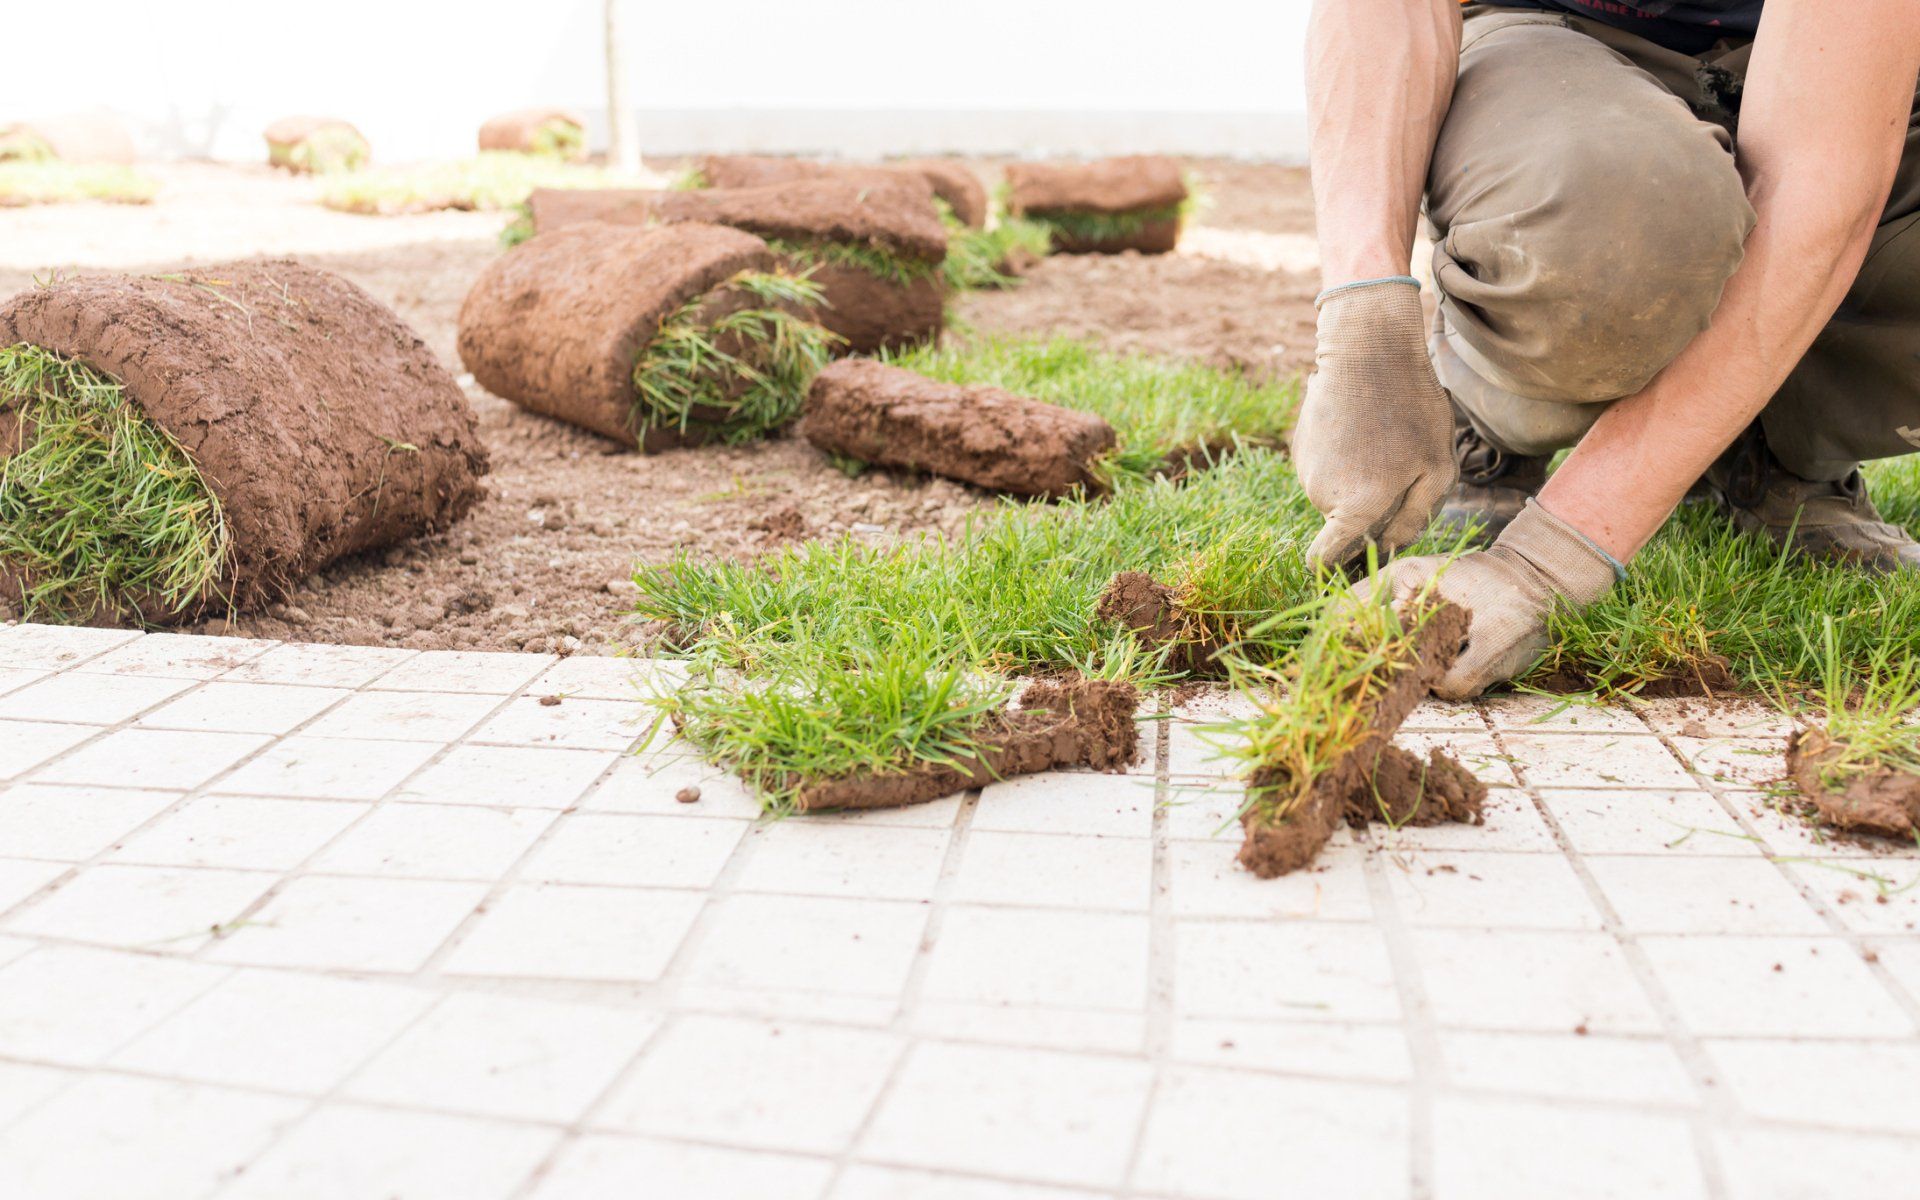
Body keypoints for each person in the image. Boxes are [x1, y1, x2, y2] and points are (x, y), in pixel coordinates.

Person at [1294, 0, 1920, 696]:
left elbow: (1821, 179)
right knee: (1614, 221)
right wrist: (1365, 327)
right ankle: (1492, 416)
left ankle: (1777, 447)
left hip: (1857, 79)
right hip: (1565, 47)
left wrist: (1546, 564)